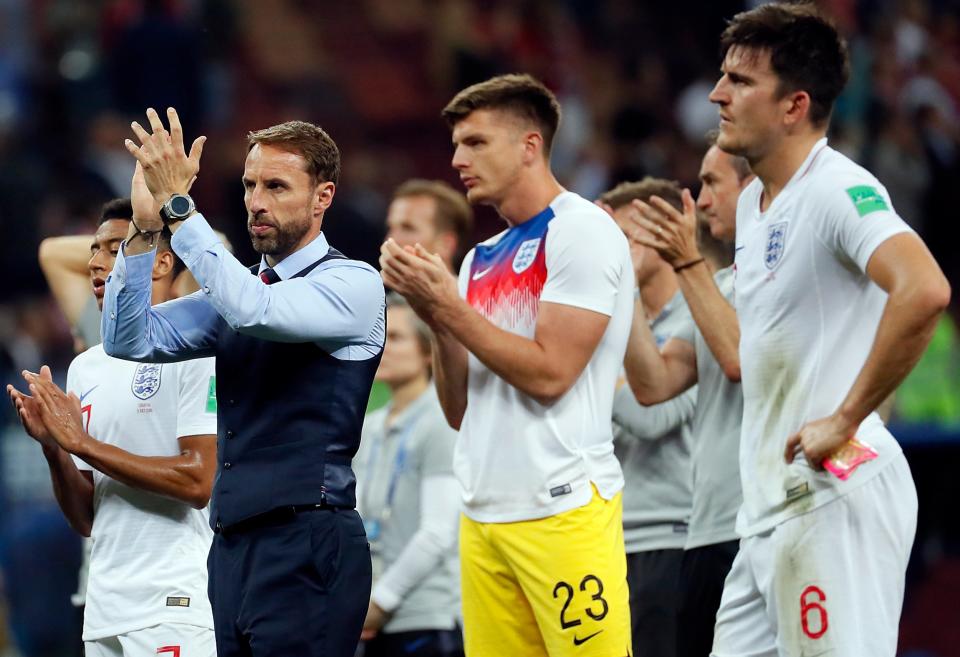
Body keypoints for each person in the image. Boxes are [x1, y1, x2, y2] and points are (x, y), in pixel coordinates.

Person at [636, 4, 950, 655]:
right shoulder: (754, 204)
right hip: (766, 508)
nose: (718, 94)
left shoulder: (839, 189)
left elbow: (925, 289)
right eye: (723, 77)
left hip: (835, 494)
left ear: (794, 105)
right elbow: (751, 354)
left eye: (741, 82)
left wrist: (846, 416)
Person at [103, 108, 386, 657]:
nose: (256, 201)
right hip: (231, 548)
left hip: (308, 540)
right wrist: (143, 232)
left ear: (322, 197)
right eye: (249, 185)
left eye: (276, 186)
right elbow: (129, 340)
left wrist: (181, 210)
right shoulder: (234, 292)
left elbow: (257, 311)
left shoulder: (353, 284)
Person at [380, 73, 634, 657]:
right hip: (484, 517)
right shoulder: (479, 259)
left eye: (475, 143)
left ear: (529, 146)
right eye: (455, 145)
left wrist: (447, 306)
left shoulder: (583, 231)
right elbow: (457, 410)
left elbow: (551, 374)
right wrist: (436, 316)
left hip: (563, 509)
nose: (457, 158)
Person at [7, 208, 218, 657]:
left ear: (160, 263)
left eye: (113, 247)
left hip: (173, 600)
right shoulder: (86, 367)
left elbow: (198, 482)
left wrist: (82, 442)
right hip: (103, 604)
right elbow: (86, 519)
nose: (95, 262)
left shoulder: (197, 351)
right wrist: (55, 448)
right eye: (93, 250)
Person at [615, 135, 753, 657]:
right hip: (706, 524)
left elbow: (737, 358)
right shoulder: (726, 287)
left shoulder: (721, 287)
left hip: (741, 520)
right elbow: (653, 385)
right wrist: (619, 284)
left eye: (713, 183)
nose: (704, 199)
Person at [598, 179, 697, 657]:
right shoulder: (613, 325)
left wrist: (590, 368)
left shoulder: (699, 318)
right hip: (607, 538)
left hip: (672, 536)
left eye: (626, 236)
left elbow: (652, 416)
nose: (616, 251)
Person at [356, 293, 462, 657]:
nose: (383, 344)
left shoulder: (443, 422)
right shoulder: (368, 427)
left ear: (428, 352)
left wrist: (380, 604)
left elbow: (438, 531)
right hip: (367, 615)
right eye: (381, 333)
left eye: (397, 337)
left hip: (425, 616)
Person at [385, 179, 474, 273]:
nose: (390, 240)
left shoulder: (477, 288)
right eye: (390, 228)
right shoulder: (377, 286)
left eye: (408, 228)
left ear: (446, 245)